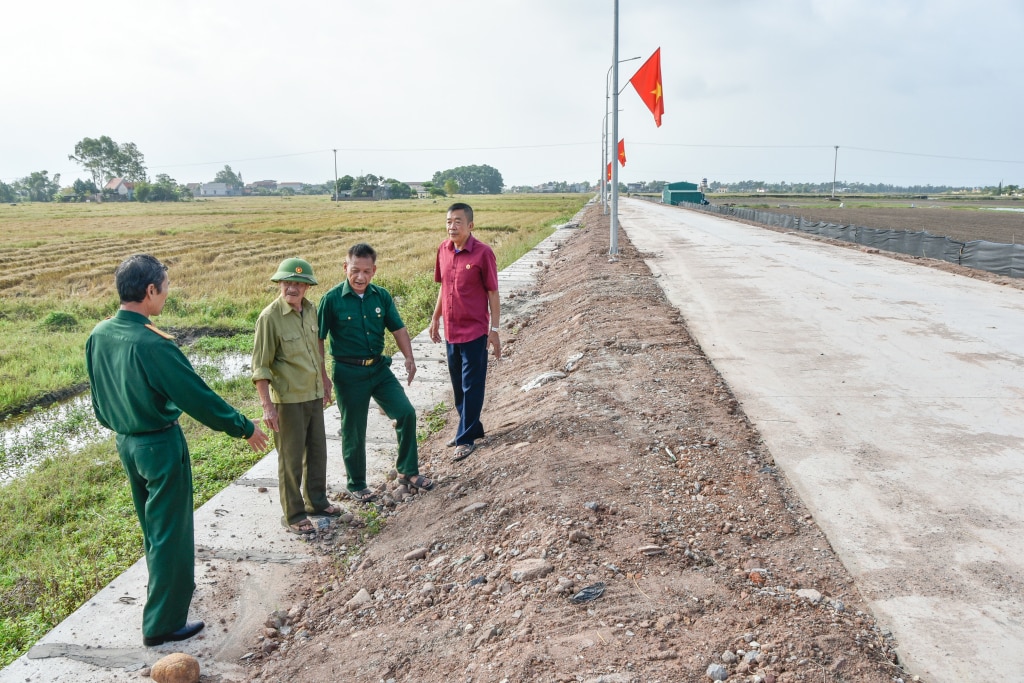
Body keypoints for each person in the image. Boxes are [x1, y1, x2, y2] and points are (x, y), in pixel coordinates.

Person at [85, 254, 270, 647]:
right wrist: (243, 426)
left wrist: (122, 427)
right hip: (159, 444)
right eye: (165, 288)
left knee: (153, 530)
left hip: (127, 443)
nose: (167, 295)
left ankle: (163, 597)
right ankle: (162, 624)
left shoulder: (99, 334)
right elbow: (197, 397)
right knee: (171, 532)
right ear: (150, 290)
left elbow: (98, 401)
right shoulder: (152, 344)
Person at [318, 243, 433, 502]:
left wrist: (409, 357)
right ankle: (357, 483)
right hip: (348, 372)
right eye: (355, 270)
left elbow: (398, 328)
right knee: (354, 428)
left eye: (366, 271)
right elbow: (318, 339)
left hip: (379, 368)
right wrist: (323, 375)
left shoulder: (381, 296)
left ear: (374, 270)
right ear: (345, 267)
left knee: (405, 413)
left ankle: (408, 471)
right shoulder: (332, 299)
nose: (360, 277)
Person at [252, 258, 340, 535]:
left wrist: (324, 379)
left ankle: (316, 501)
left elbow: (315, 351)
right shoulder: (269, 318)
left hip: (313, 394)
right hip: (287, 400)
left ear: (307, 287)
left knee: (317, 452)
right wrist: (267, 406)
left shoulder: (310, 310)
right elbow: (261, 367)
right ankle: (293, 514)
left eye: (299, 283)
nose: (293, 288)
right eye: (288, 282)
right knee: (290, 459)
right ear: (279, 284)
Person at [428, 202, 500, 462]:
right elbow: (443, 287)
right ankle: (469, 427)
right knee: (458, 386)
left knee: (472, 385)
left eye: (458, 221)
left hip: (475, 331)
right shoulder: (443, 250)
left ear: (470, 225)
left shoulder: (483, 253)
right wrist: (436, 318)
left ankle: (466, 438)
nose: (452, 226)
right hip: (452, 331)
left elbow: (493, 292)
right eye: (448, 221)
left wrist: (495, 329)